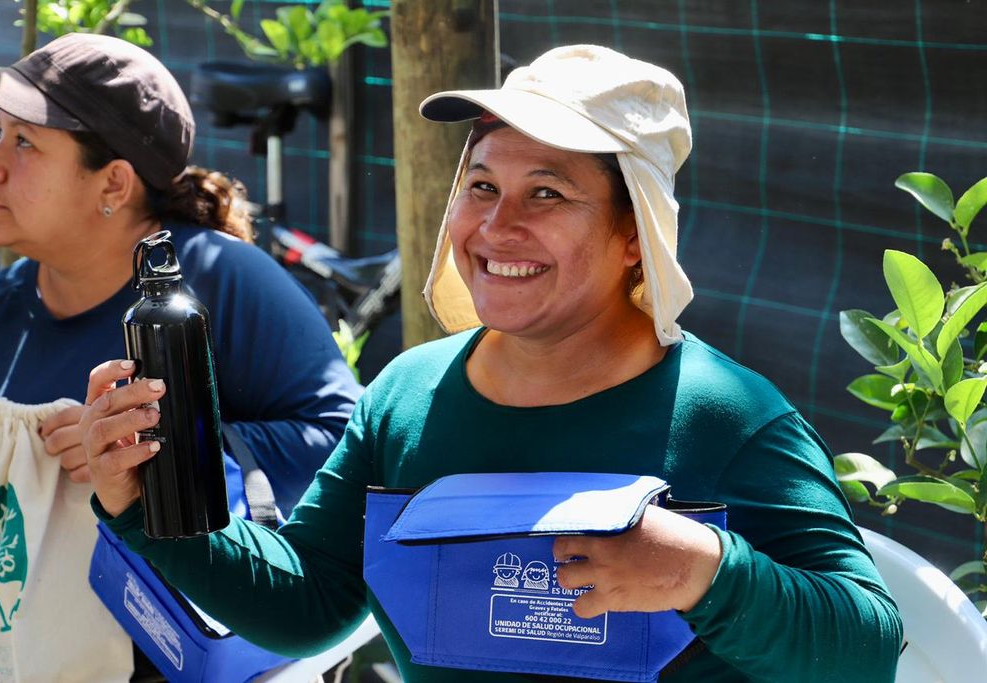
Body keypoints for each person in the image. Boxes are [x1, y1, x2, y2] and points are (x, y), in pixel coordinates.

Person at [81, 45, 903, 682]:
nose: (496, 226)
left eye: (546, 193)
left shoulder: (728, 418)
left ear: (633, 236)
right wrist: (142, 504)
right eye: (481, 186)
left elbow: (868, 646)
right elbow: (309, 602)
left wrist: (708, 572)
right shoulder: (406, 396)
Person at [0, 32, 361, 678]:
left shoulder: (223, 282)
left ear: (113, 183)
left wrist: (157, 451)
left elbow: (343, 446)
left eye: (25, 143)